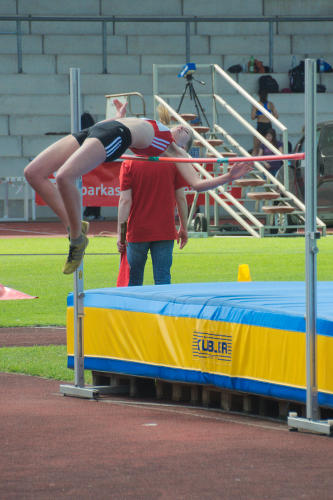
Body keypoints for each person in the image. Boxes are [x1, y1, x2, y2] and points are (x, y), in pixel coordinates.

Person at [24, 99, 252, 275]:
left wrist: (228, 177)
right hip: (100, 129)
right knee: (33, 173)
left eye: (188, 133)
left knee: (65, 176)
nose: (184, 128)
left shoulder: (174, 150)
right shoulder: (159, 126)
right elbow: (128, 124)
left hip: (117, 134)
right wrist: (119, 115)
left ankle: (76, 239)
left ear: (185, 146)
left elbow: (197, 184)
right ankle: (75, 227)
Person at [117, 156, 188, 286]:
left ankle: (135, 307)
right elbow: (181, 198)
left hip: (137, 232)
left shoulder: (129, 163)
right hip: (164, 231)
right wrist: (184, 227)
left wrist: (121, 235)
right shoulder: (172, 163)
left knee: (134, 281)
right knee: (163, 279)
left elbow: (125, 201)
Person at [251, 89, 279, 155]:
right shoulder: (257, 104)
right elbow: (252, 117)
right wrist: (260, 115)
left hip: (267, 126)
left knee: (270, 146)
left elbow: (276, 116)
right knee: (256, 147)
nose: (264, 96)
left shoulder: (270, 104)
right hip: (261, 126)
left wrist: (262, 116)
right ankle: (251, 163)